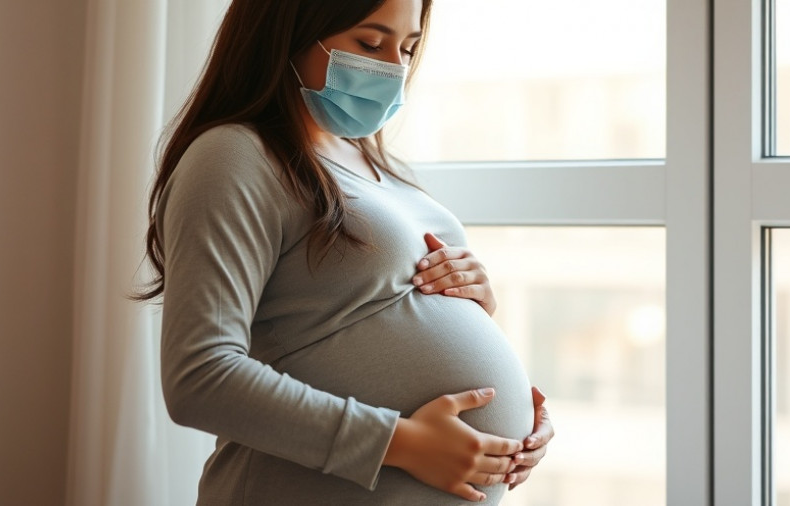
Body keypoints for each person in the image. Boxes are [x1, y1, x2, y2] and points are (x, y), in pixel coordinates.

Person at [135, 0, 553, 504]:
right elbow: (200, 378)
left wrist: (476, 306)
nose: (395, 69)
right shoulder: (235, 155)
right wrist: (399, 443)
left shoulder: (375, 162)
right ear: (286, 32)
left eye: (408, 47)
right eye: (370, 44)